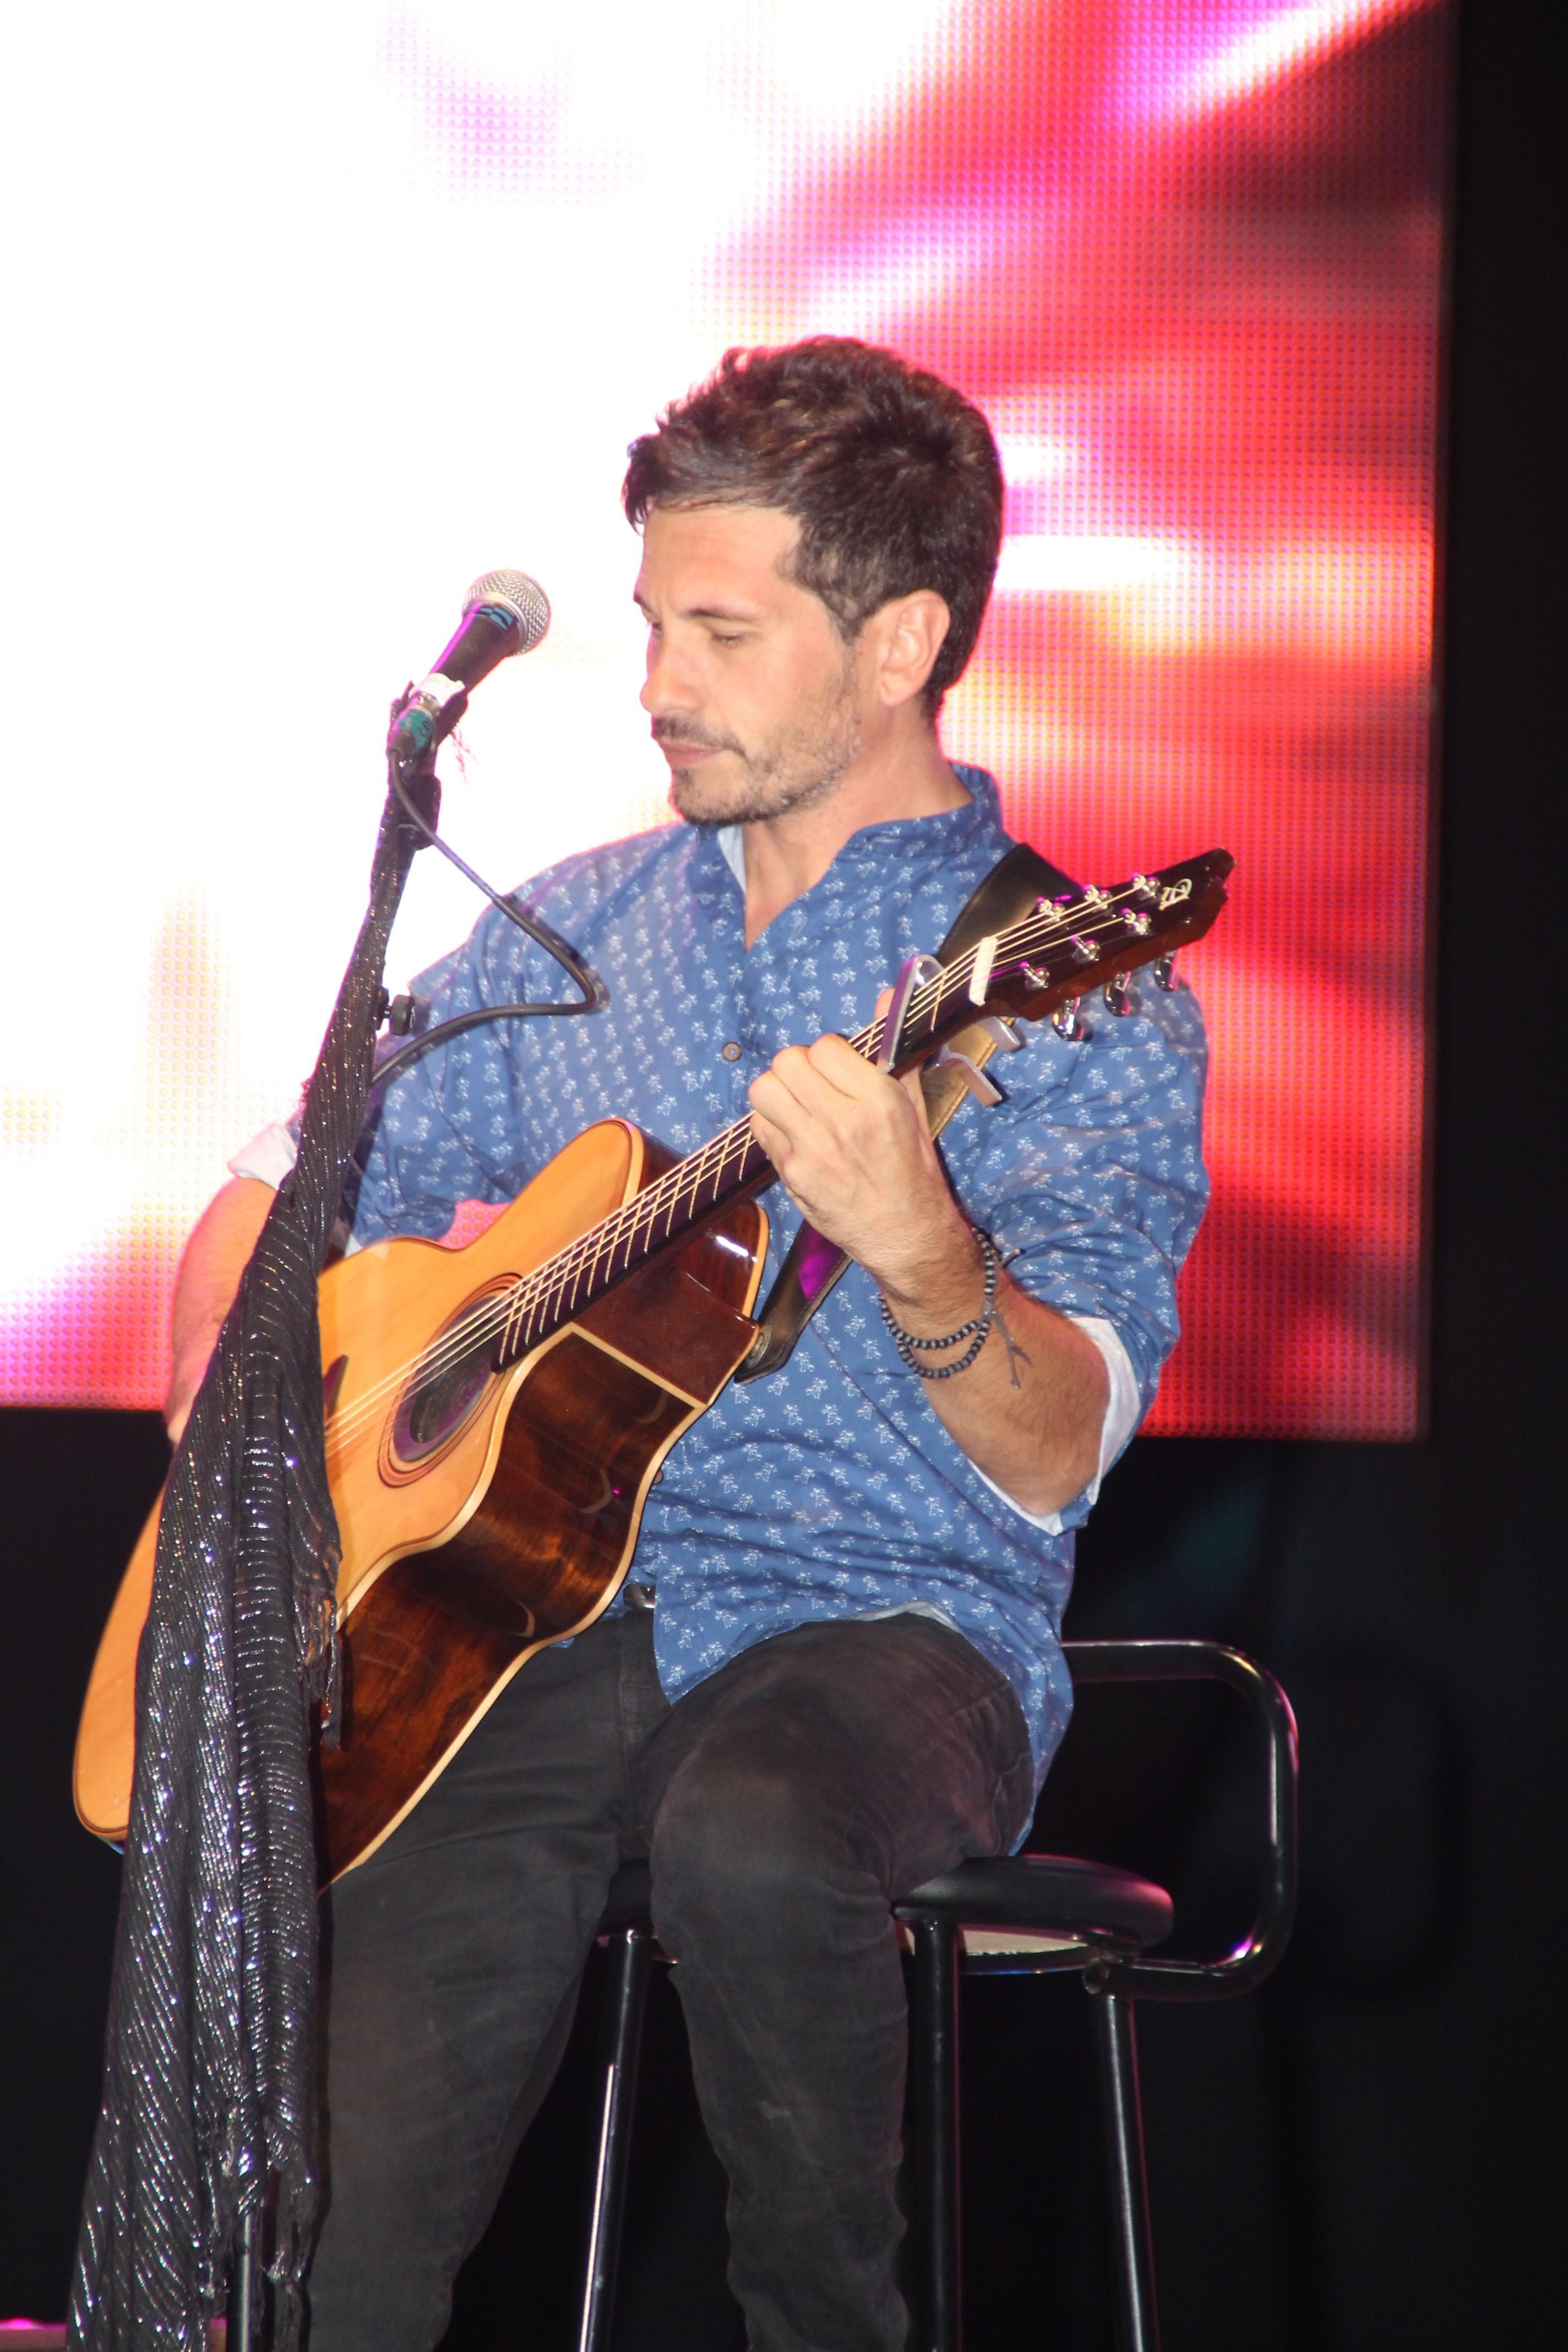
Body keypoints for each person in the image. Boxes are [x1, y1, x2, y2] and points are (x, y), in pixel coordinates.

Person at [165, 338, 1208, 2352]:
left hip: (886, 1625)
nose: (658, 684)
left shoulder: (1074, 988)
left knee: (750, 1827)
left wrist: (924, 1255)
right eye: (654, 624)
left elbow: (1055, 1453)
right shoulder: (581, 925)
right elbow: (280, 1195)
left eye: (723, 634)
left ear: (904, 640)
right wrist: (244, 1442)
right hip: (526, 1622)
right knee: (351, 2085)